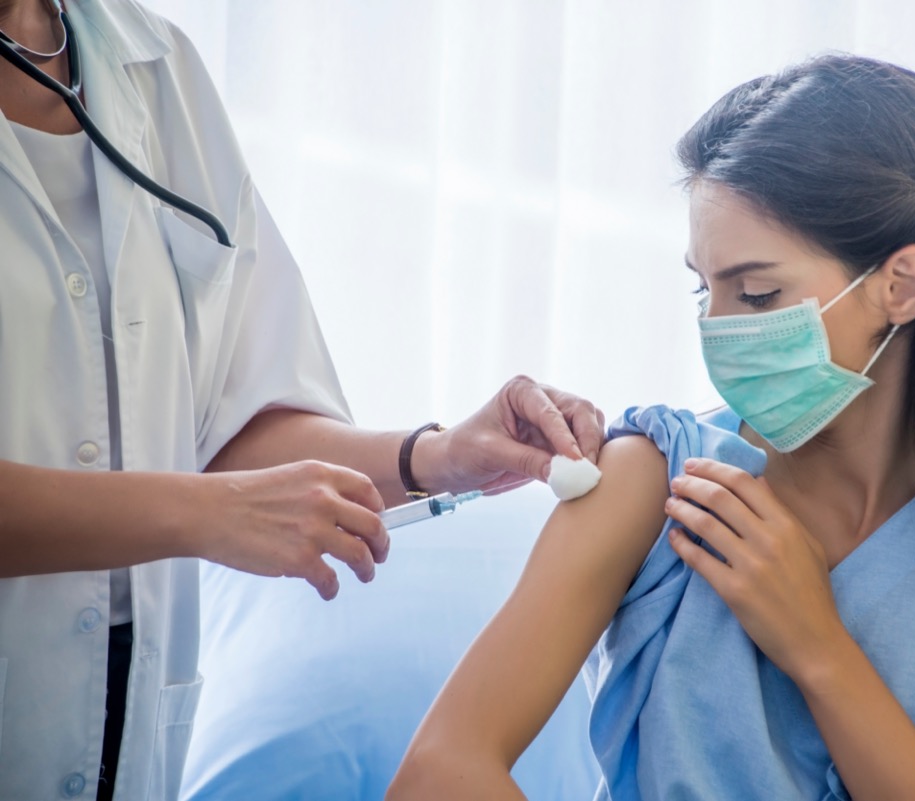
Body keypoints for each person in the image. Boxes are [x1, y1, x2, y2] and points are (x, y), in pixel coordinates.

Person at [388, 54, 915, 800]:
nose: (718, 332)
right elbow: (438, 773)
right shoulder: (657, 479)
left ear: (903, 286)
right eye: (704, 292)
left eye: (755, 294)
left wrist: (816, 647)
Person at [0, 1, 604, 800]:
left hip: (125, 703)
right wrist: (206, 514)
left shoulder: (155, 66)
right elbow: (213, 494)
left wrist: (437, 456)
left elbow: (235, 414)